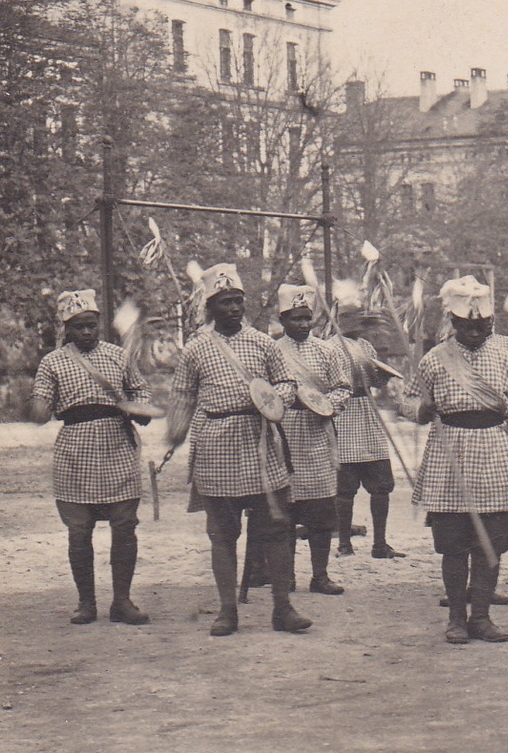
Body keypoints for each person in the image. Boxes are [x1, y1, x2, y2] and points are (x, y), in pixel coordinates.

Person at [167, 264, 306, 637]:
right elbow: (182, 394)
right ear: (210, 306)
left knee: (276, 528)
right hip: (215, 443)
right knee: (223, 534)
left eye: (237, 301)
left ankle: (283, 608)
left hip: (260, 440)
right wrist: (176, 428)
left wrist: (275, 400)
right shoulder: (196, 348)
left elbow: (287, 382)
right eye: (225, 302)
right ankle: (228, 611)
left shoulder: (263, 342)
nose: (232, 308)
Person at [405, 276, 508, 644]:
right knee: (454, 543)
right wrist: (421, 407)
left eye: (484, 325)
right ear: (453, 321)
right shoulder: (435, 358)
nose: (477, 331)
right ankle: (456, 619)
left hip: (496, 448)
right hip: (449, 452)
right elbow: (408, 400)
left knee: (492, 541)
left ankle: (481, 616)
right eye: (468, 325)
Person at [30, 289, 154, 625]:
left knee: (125, 526)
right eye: (79, 326)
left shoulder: (118, 355)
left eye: (92, 325)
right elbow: (41, 403)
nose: (87, 332)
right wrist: (37, 408)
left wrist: (138, 408)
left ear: (99, 325)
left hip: (118, 446)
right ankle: (86, 602)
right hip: (75, 450)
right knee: (79, 530)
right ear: (66, 329)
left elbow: (140, 390)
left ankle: (123, 602)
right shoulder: (52, 362)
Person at [273, 284, 352, 596]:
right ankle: (286, 576)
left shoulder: (327, 351)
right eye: (296, 319)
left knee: (320, 511)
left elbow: (343, 387)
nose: (303, 325)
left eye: (307, 319)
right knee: (286, 513)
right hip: (283, 433)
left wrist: (327, 405)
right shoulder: (271, 350)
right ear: (283, 320)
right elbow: (263, 391)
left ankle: (320, 575)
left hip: (318, 434)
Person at [333, 308, 402, 560]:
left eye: (359, 319)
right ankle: (343, 543)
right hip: (342, 414)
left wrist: (381, 376)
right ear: (338, 318)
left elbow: (373, 379)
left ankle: (380, 543)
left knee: (381, 483)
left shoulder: (366, 346)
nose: (355, 323)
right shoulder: (328, 348)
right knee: (345, 486)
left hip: (367, 413)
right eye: (348, 317)